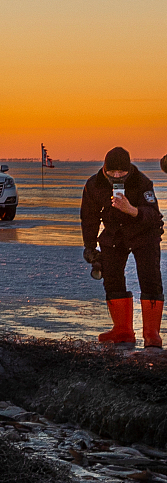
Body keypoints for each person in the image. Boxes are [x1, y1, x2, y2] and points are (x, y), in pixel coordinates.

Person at [80, 147, 163, 347]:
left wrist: (132, 210)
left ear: (129, 170)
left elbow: (153, 215)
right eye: (112, 172)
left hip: (144, 232)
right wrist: (90, 247)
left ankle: (152, 334)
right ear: (104, 169)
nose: (117, 176)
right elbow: (89, 218)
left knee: (150, 277)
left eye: (122, 172)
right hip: (115, 232)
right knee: (112, 275)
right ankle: (122, 330)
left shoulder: (142, 182)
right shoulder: (94, 185)